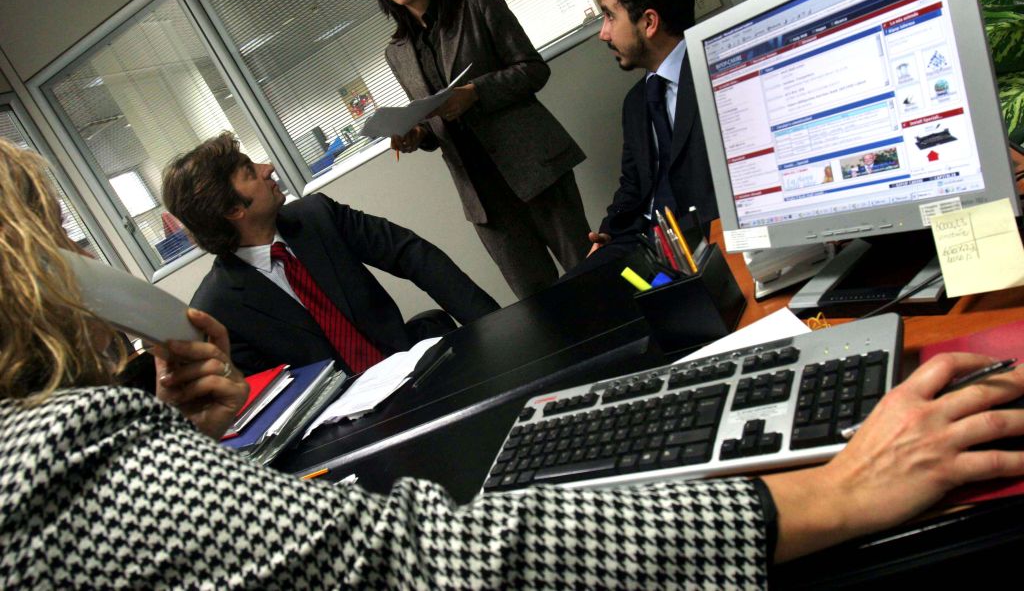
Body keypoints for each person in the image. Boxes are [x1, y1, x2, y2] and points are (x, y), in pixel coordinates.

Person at [5, 138, 1024, 588]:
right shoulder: (59, 462)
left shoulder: (310, 220)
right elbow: (426, 562)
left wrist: (192, 438)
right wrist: (827, 495)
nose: (88, 257)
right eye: (62, 240)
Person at [360, 0, 591, 300]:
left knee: (591, 274)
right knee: (540, 303)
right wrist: (415, 134)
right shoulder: (397, 51)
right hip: (482, 197)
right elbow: (434, 121)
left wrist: (476, 93)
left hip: (534, 167)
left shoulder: (475, 0)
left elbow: (533, 70)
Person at [162, 132, 499, 375]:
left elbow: (412, 255)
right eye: (250, 173)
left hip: (410, 368)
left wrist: (494, 325)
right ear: (234, 210)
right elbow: (269, 398)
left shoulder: (317, 216)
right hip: (341, 426)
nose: (268, 168)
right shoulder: (216, 309)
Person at [583, 0, 720, 268]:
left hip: (701, 238)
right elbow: (632, 185)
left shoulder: (717, 77)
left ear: (648, 22)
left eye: (610, 16)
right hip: (639, 241)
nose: (603, 33)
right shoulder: (636, 102)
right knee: (571, 291)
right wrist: (607, 233)